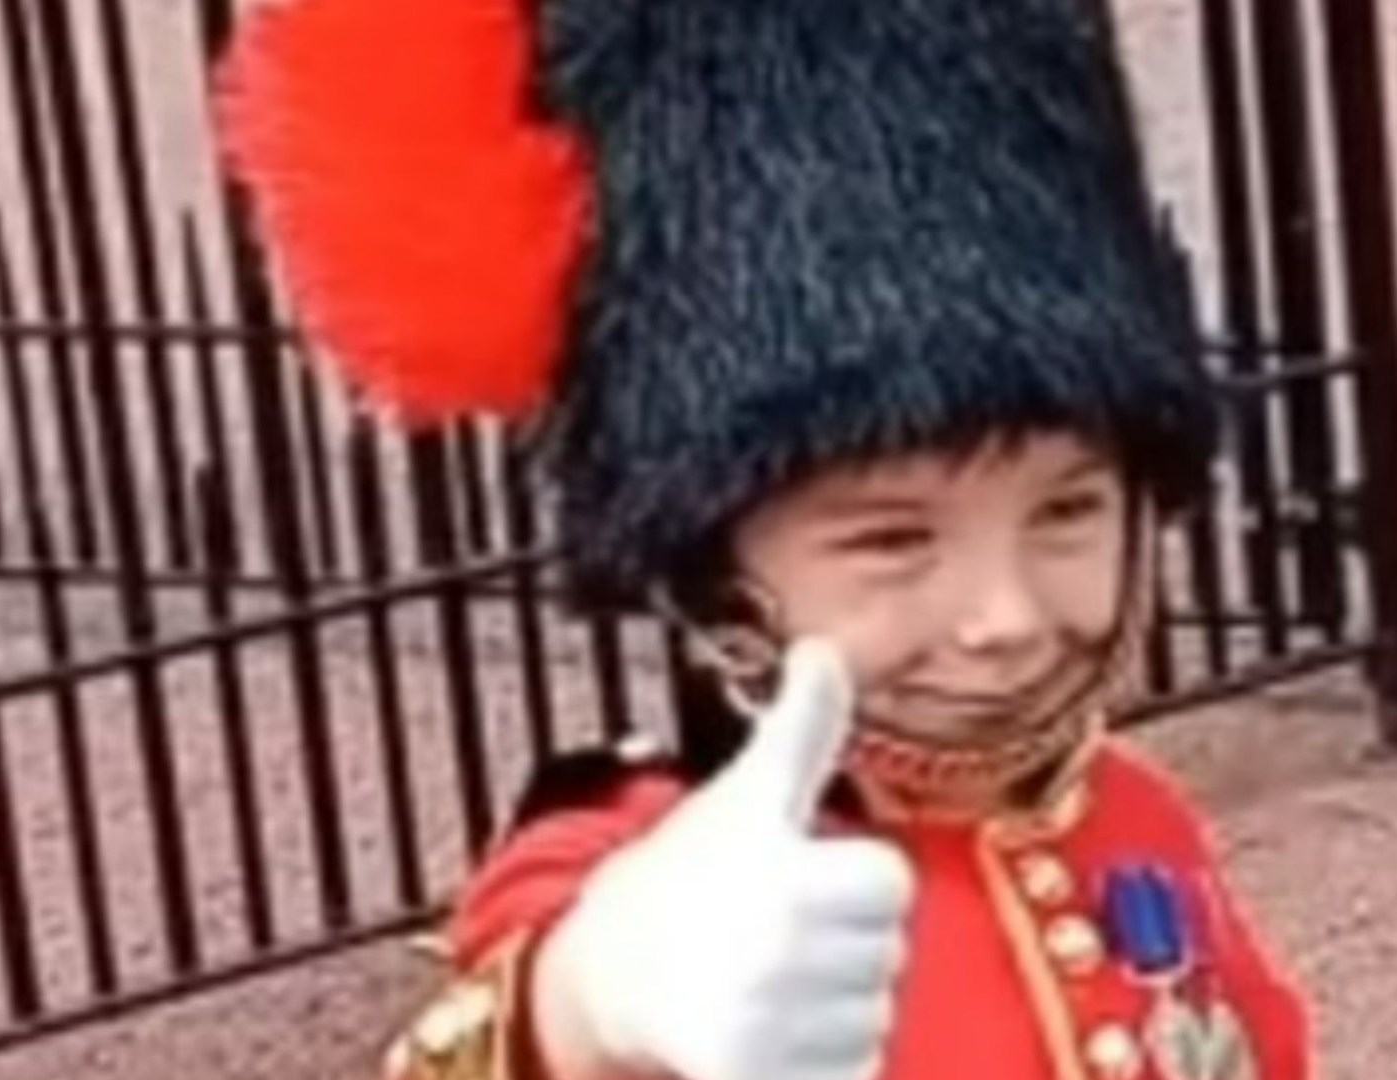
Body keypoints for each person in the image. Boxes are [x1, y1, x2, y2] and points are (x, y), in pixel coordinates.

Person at [218, 0, 1312, 1078]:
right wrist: (594, 1002)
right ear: (714, 576)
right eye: (893, 542)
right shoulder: (638, 857)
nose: (1010, 616)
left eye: (1068, 511)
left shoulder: (1128, 814)